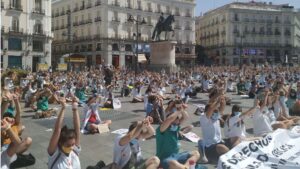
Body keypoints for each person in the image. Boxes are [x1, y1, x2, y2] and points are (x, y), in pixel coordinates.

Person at [47, 97, 81, 169]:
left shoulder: (74, 151)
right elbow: (57, 130)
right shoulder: (54, 153)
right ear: (60, 143)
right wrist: (63, 108)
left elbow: (77, 129)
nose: (71, 147)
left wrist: (75, 108)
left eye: (73, 144)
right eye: (68, 145)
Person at [199, 96, 228, 163]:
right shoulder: (204, 119)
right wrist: (217, 101)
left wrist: (222, 99)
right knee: (221, 147)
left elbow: (222, 108)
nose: (216, 113)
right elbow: (211, 109)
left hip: (219, 142)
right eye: (214, 111)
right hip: (209, 147)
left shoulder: (216, 118)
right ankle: (230, 158)